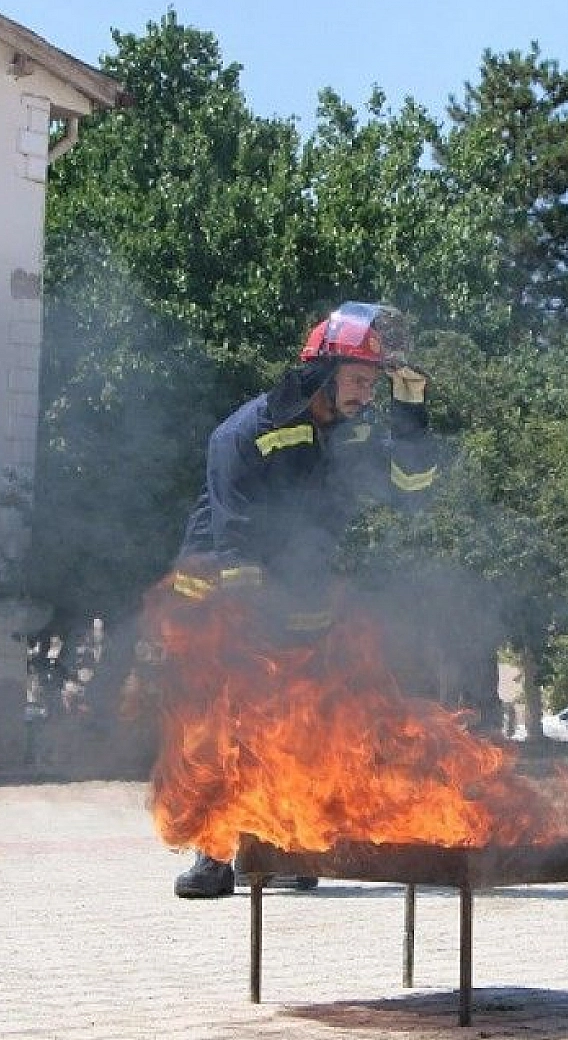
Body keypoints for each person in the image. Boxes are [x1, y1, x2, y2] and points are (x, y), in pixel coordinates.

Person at [162, 301, 440, 898]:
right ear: (323, 371)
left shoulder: (352, 430)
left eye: (373, 381)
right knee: (227, 715)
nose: (367, 393)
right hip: (220, 584)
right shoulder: (244, 432)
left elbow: (411, 492)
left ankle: (278, 846)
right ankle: (212, 854)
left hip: (298, 582)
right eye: (359, 379)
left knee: (302, 712)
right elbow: (231, 537)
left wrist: (413, 412)